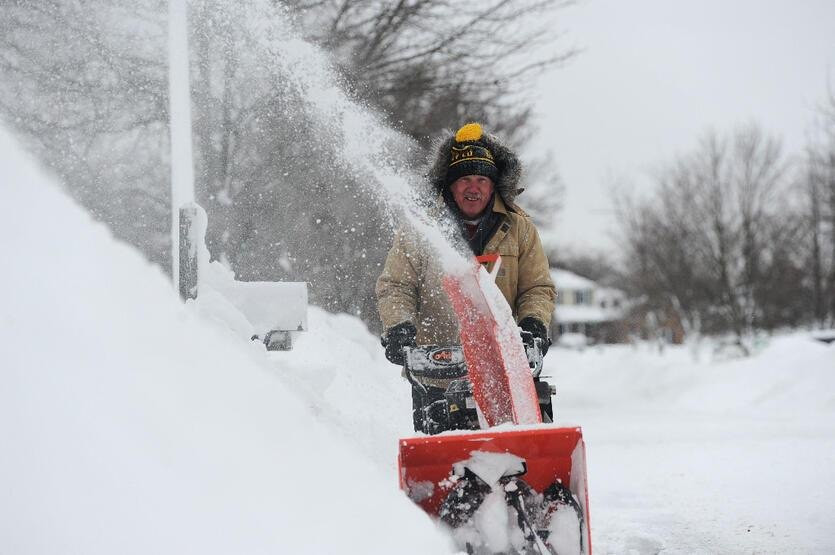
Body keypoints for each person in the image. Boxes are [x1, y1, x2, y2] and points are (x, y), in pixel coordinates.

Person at [376, 122, 556, 431]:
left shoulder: (519, 229)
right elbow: (396, 286)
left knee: (517, 453)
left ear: (493, 184)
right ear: (450, 185)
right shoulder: (422, 229)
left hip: (509, 373)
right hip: (437, 372)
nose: (473, 188)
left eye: (481, 179)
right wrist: (399, 328)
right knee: (443, 465)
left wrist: (533, 325)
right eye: (464, 180)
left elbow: (536, 287)